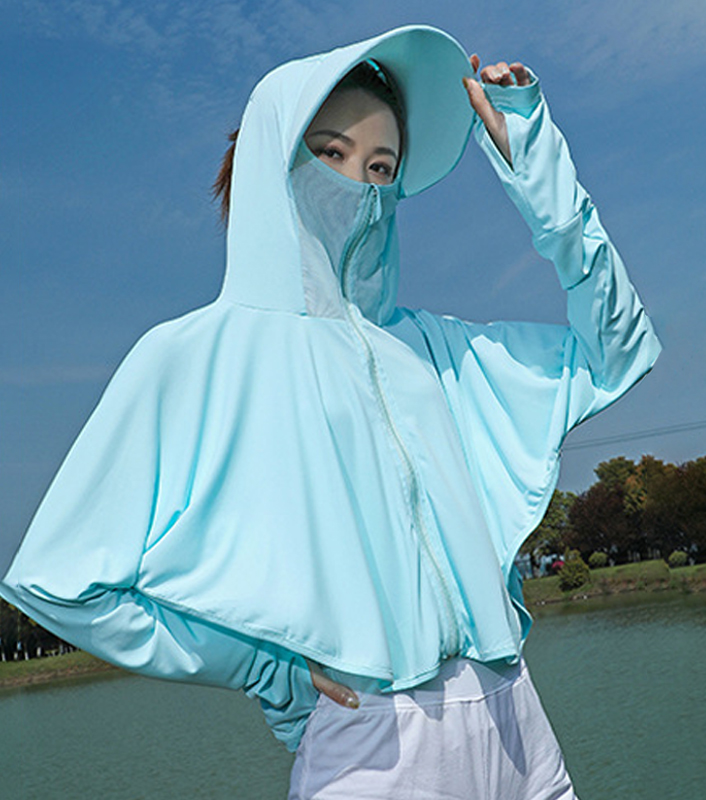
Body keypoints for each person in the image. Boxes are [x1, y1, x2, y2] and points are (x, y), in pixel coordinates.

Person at [1, 25, 660, 799]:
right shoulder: (199, 353)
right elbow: (59, 581)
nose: (360, 184)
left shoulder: (430, 346)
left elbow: (617, 350)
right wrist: (269, 667)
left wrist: (538, 169)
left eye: (382, 167)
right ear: (272, 164)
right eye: (331, 153)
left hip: (517, 723)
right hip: (376, 746)